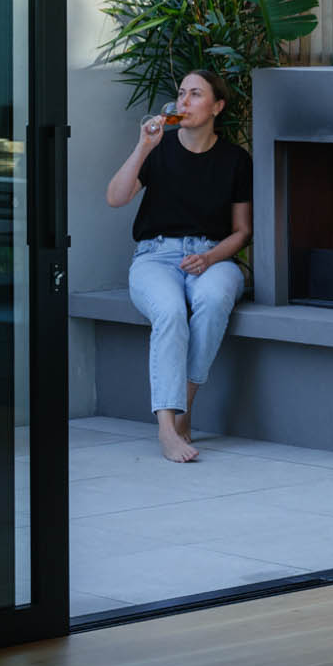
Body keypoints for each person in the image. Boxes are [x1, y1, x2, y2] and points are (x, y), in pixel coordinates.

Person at [104, 68, 252, 463]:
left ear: (217, 107)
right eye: (181, 93)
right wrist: (143, 146)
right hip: (155, 256)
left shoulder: (236, 160)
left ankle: (184, 405)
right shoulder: (159, 149)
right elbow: (116, 197)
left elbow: (242, 232)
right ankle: (168, 428)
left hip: (213, 255)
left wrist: (210, 257)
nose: (183, 101)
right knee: (169, 312)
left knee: (214, 299)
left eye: (195, 94)